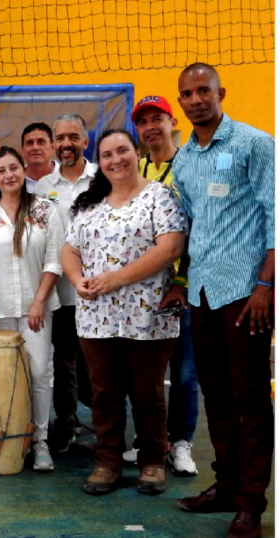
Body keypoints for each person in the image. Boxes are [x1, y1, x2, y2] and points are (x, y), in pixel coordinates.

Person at [170, 63, 275, 538]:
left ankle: (251, 503)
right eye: (187, 94)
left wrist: (266, 287)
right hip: (203, 294)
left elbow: (276, 217)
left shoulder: (256, 144)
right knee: (215, 393)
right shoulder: (185, 158)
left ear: (220, 93)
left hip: (245, 293)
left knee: (250, 399)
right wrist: (182, 280)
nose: (195, 100)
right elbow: (191, 226)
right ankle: (227, 486)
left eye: (203, 91)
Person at [61, 128, 187, 496]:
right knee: (105, 393)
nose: (116, 160)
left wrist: (117, 278)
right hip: (96, 317)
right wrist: (76, 278)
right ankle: (108, 462)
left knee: (148, 392)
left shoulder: (159, 196)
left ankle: (151, 461)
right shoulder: (89, 203)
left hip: (148, 314)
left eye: (122, 151)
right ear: (99, 162)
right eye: (107, 155)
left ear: (137, 152)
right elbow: (70, 250)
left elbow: (172, 246)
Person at [0, 147, 64, 472]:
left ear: (23, 170)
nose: (8, 175)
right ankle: (3, 440)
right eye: (1, 171)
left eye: (14, 168)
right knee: (1, 380)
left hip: (35, 311)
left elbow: (54, 260)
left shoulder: (46, 210)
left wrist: (38, 302)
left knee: (38, 375)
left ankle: (39, 443)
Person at [121, 95, 199, 477]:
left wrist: (182, 282)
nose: (150, 127)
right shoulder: (135, 170)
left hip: (182, 289)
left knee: (185, 373)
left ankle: (181, 442)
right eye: (143, 121)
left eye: (157, 119)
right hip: (142, 293)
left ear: (171, 122)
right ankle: (150, 440)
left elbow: (197, 231)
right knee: (145, 375)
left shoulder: (189, 167)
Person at [34, 113, 99, 453]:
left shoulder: (103, 178)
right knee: (64, 361)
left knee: (103, 363)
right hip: (62, 293)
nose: (66, 144)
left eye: (73, 137)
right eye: (60, 138)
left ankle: (109, 427)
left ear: (86, 141)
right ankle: (67, 421)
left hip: (103, 291)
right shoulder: (44, 188)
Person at [21, 122, 59, 193]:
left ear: (52, 148)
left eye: (41, 142)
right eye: (30, 143)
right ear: (23, 151)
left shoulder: (67, 177)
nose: (35, 147)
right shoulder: (15, 180)